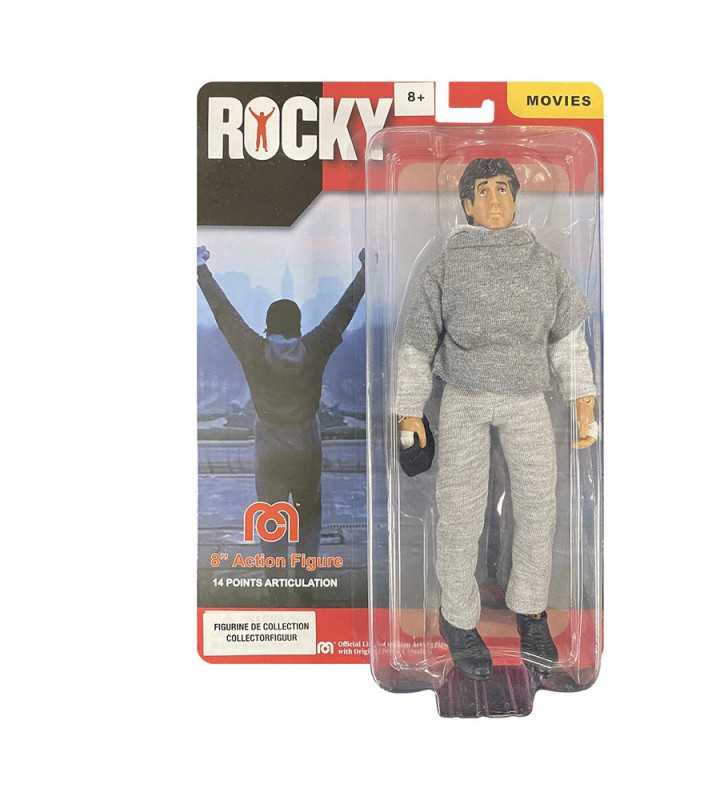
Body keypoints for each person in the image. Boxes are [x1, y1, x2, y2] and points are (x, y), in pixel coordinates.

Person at [395, 158, 598, 680]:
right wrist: (409, 411)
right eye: (483, 191)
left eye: (503, 190)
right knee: (459, 511)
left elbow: (567, 339)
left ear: (516, 198)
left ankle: (531, 609)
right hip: (464, 396)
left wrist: (583, 399)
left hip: (527, 399)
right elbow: (417, 344)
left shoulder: (543, 264)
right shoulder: (446, 266)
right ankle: (457, 619)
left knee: (537, 506)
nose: (494, 201)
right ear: (466, 203)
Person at [197, 245, 365, 560]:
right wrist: (365, 273)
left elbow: (224, 314)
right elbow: (343, 312)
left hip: (269, 450)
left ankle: (275, 576)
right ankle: (307, 578)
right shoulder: (314, 347)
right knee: (309, 518)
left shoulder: (253, 349)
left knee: (271, 523)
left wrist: (201, 269)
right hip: (307, 447)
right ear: (297, 325)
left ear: (268, 325)